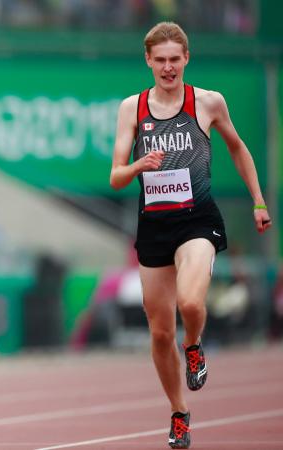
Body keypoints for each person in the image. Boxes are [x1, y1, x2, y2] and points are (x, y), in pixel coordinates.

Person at [109, 22, 272, 449]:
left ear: (186, 59)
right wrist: (138, 167)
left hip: (197, 218)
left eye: (174, 59)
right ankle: (179, 412)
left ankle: (195, 344)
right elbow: (115, 176)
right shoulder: (133, 108)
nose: (167, 68)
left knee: (191, 302)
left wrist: (257, 200)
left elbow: (237, 147)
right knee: (160, 333)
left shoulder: (208, 102)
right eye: (159, 60)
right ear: (148, 60)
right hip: (154, 227)